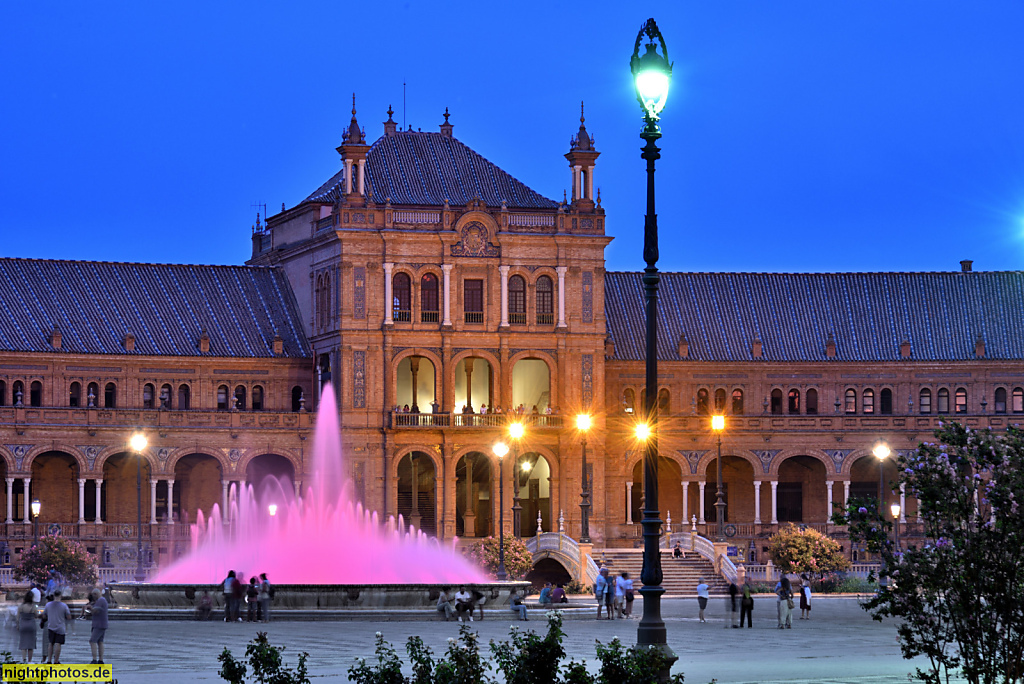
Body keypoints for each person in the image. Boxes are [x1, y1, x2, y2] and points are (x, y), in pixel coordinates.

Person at [42, 591, 71, 665]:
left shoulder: (48, 605)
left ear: (53, 595)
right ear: (60, 596)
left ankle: (49, 660)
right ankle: (56, 660)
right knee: (58, 643)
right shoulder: (64, 606)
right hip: (60, 627)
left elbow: (44, 615)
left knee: (51, 643)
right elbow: (68, 617)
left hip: (51, 626)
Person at [88, 588, 108, 665]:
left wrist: (90, 608)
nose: (92, 596)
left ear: (96, 594)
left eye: (93, 595)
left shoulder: (100, 601)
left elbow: (95, 610)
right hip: (102, 624)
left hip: (98, 624)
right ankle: (101, 660)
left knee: (92, 641)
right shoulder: (102, 600)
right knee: (100, 642)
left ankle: (94, 660)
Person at [17, 591, 37, 663]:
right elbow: (36, 615)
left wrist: (17, 625)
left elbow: (17, 617)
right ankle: (30, 660)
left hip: (23, 625)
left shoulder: (21, 606)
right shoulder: (33, 606)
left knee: (23, 643)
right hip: (31, 625)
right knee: (31, 644)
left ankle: (24, 659)